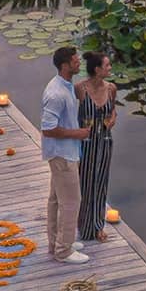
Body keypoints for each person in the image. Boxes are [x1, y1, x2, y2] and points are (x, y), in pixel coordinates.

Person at [39, 45, 93, 265]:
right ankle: (64, 251)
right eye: (75, 60)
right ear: (65, 65)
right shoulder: (56, 94)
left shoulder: (66, 85)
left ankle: (57, 242)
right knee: (71, 201)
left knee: (56, 200)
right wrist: (78, 133)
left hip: (66, 152)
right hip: (62, 155)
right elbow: (48, 128)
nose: (79, 62)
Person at [75, 50, 118, 243]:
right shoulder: (80, 89)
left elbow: (113, 111)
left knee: (101, 183)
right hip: (85, 142)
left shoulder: (111, 89)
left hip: (105, 141)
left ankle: (98, 226)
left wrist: (112, 120)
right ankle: (84, 227)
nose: (110, 68)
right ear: (97, 69)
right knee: (84, 183)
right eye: (107, 65)